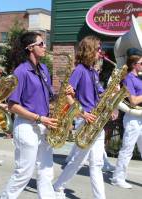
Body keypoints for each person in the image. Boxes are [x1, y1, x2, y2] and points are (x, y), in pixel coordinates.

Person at [0, 31, 70, 199]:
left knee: (46, 170)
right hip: (26, 126)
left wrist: (64, 93)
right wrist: (39, 118)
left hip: (44, 125)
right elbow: (12, 105)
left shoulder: (44, 68)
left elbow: (50, 97)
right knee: (24, 172)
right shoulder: (21, 72)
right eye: (41, 44)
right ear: (30, 48)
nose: (45, 47)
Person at [53, 35, 109, 199]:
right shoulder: (79, 70)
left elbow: (98, 94)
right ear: (90, 50)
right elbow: (67, 95)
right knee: (78, 161)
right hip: (85, 120)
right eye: (98, 49)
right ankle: (57, 187)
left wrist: (111, 96)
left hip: (97, 120)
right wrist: (83, 114)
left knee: (96, 164)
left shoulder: (93, 72)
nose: (101, 52)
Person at [111, 48, 142, 189]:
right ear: (134, 64)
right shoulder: (128, 78)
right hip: (133, 118)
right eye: (141, 63)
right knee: (127, 149)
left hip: (140, 117)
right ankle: (117, 178)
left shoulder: (139, 78)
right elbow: (134, 100)